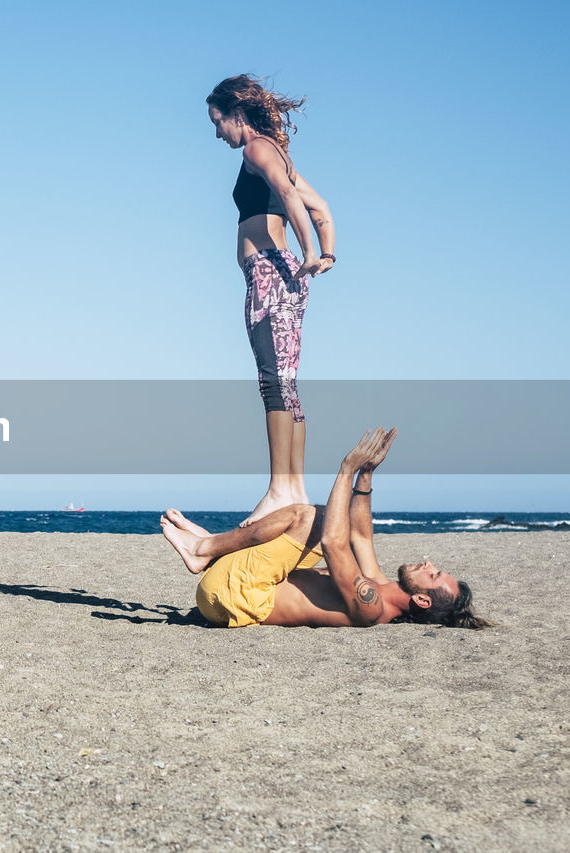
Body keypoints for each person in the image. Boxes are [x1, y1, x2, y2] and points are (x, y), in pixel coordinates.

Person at [160, 428, 493, 629]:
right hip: (239, 586)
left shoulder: (372, 606)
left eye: (434, 575)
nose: (429, 564)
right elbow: (359, 535)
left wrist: (346, 469)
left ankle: (203, 549)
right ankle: (211, 547)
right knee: (321, 525)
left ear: (421, 600)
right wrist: (366, 474)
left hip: (235, 597)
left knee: (312, 520)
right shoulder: (379, 584)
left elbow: (336, 543)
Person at [206, 75, 336, 526]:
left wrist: (312, 253)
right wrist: (326, 251)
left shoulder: (256, 149)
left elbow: (285, 195)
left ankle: (281, 490)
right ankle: (294, 489)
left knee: (273, 383)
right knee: (285, 383)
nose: (216, 132)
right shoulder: (281, 156)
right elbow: (320, 209)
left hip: (269, 273)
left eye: (217, 122)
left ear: (236, 116)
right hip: (283, 275)